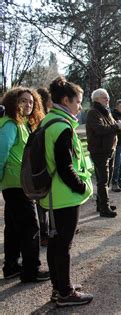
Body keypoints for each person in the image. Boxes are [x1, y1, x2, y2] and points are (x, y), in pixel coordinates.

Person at [40, 77, 94, 306]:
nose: (80, 106)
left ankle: (59, 286)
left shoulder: (49, 122)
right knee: (63, 246)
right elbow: (65, 167)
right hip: (63, 196)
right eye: (78, 101)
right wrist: (81, 186)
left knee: (56, 244)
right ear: (66, 100)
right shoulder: (62, 127)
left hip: (52, 195)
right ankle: (65, 292)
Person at [0, 87, 48, 282]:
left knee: (12, 226)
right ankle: (31, 270)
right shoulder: (10, 125)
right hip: (16, 183)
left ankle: (11, 266)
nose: (28, 105)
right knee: (31, 226)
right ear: (13, 103)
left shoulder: (21, 125)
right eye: (23, 101)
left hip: (16, 182)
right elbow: (1, 154)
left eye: (31, 102)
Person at [86, 88, 121, 218]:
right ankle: (104, 208)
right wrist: (116, 127)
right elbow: (100, 129)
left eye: (107, 97)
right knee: (103, 181)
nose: (107, 100)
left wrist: (120, 127)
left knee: (106, 180)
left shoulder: (106, 112)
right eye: (104, 97)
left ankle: (101, 204)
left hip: (109, 150)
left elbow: (112, 127)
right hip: (100, 151)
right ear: (96, 99)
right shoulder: (93, 113)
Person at [36, 87, 53, 247]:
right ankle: (44, 233)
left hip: (44, 164)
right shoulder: (39, 119)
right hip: (40, 166)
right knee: (42, 202)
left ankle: (47, 230)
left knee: (45, 201)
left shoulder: (45, 117)